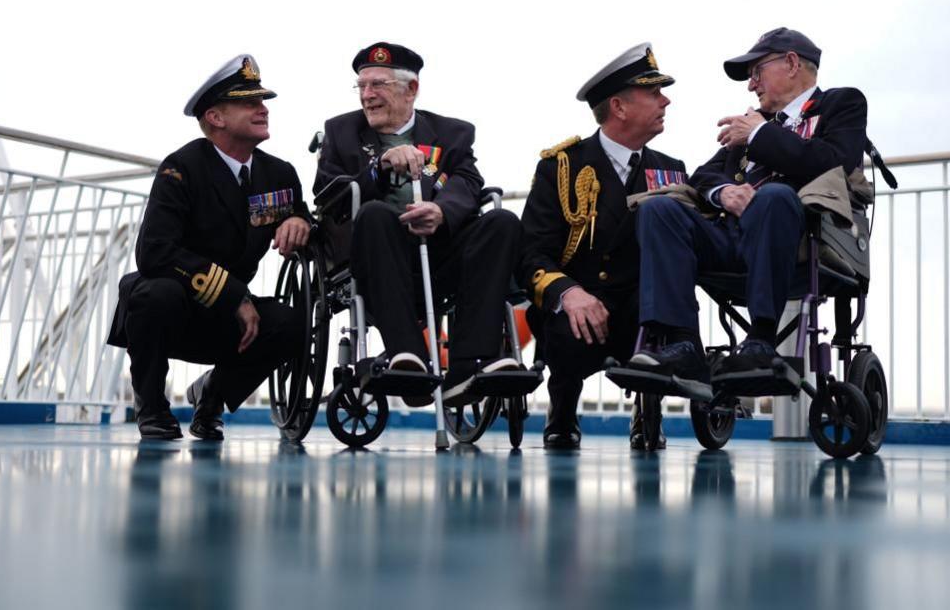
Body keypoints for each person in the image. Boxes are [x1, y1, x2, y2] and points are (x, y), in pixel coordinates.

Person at [633, 27, 868, 379]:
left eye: (756, 72)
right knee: (658, 209)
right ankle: (681, 342)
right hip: (732, 238)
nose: (751, 85)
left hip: (801, 244)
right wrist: (724, 193)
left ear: (791, 63)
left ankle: (760, 340)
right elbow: (702, 175)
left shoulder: (840, 104)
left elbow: (834, 160)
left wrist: (760, 134)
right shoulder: (752, 123)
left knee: (773, 197)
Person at [107, 54, 312, 440]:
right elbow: (154, 252)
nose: (263, 109)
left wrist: (299, 220)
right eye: (249, 103)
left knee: (293, 323)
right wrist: (234, 295)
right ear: (216, 118)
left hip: (231, 320)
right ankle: (152, 409)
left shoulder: (279, 174)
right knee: (154, 292)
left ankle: (211, 398)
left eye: (262, 101)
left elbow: (300, 216)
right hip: (176, 307)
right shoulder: (181, 168)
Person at [313, 42, 523, 407]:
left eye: (378, 85)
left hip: (439, 252)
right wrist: (378, 168)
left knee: (501, 221)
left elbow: (468, 182)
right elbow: (326, 197)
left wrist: (441, 212)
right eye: (361, 86)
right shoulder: (341, 132)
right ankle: (407, 357)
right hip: (374, 258)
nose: (367, 95)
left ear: (411, 90)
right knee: (376, 214)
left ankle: (469, 365)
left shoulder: (452, 134)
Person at [520, 43, 686, 450]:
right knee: (566, 317)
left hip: (639, 308)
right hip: (577, 303)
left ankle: (649, 410)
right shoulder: (561, 166)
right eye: (653, 93)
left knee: (659, 311)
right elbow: (531, 253)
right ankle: (562, 413)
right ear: (619, 107)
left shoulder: (670, 170)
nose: (666, 100)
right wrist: (568, 293)